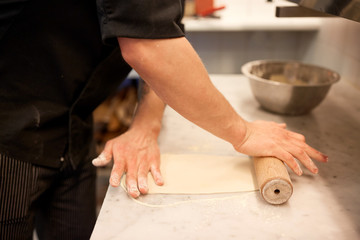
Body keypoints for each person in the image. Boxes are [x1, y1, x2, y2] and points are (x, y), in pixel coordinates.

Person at [0, 0, 327, 239]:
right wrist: (242, 133)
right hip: (8, 138)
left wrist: (145, 126)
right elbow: (148, 50)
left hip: (73, 129)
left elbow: (162, 45)